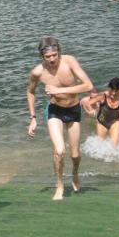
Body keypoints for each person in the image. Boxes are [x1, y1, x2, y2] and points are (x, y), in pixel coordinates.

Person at [26, 37, 93, 200]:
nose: (52, 59)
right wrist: (33, 117)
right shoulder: (37, 72)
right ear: (42, 56)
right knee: (59, 151)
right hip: (54, 110)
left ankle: (75, 174)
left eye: (54, 55)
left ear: (59, 52)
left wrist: (58, 90)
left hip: (74, 109)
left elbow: (88, 85)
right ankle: (59, 185)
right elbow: (30, 92)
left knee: (75, 154)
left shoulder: (69, 61)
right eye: (47, 57)